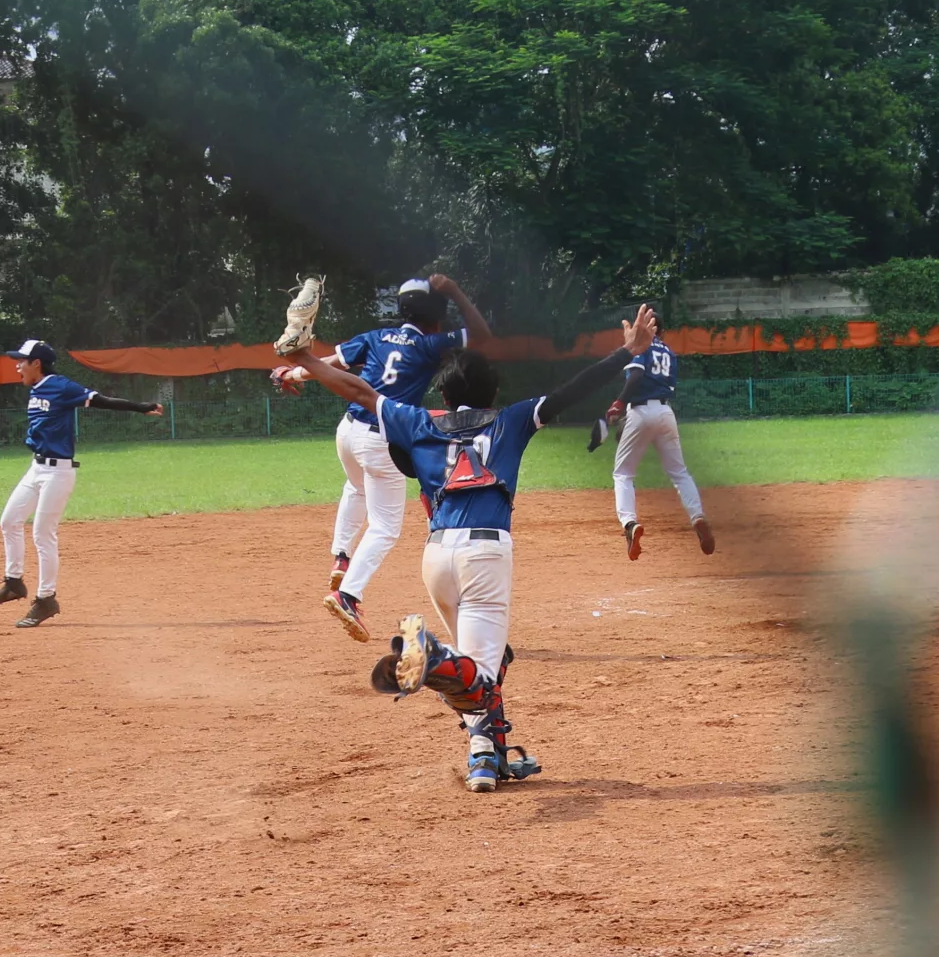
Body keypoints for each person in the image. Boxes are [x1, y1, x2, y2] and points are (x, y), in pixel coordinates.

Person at [282, 305, 655, 792]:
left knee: (490, 663)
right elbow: (573, 390)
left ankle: (485, 756)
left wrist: (306, 358)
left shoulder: (418, 421)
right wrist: (628, 352)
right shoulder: (513, 420)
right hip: (485, 555)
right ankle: (432, 659)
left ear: (444, 393)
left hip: (436, 556)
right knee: (473, 674)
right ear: (494, 391)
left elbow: (358, 390)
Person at [273, 274, 491, 642]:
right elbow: (482, 336)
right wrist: (454, 290)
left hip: (347, 431)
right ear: (435, 316)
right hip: (381, 439)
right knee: (385, 527)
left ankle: (341, 555)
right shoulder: (430, 345)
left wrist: (291, 371)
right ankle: (348, 594)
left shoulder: (375, 337)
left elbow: (332, 364)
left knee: (355, 486)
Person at [0, 339, 165, 628]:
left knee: (43, 534)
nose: (17, 365)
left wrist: (141, 407)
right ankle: (14, 583)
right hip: (36, 468)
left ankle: (46, 599)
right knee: (9, 521)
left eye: (22, 361)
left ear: (36, 363)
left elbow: (101, 400)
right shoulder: (36, 389)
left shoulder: (61, 386)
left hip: (58, 472)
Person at [605, 327, 714, 559]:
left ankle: (629, 523)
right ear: (662, 332)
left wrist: (619, 402)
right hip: (665, 412)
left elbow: (636, 376)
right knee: (679, 472)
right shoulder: (669, 353)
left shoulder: (640, 346)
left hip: (641, 411)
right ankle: (698, 517)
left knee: (623, 474)